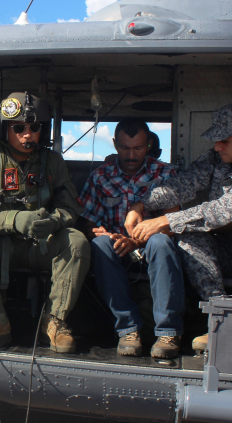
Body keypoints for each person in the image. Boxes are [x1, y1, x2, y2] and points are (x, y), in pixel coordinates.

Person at [125, 102, 232, 353]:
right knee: (190, 238)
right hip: (224, 250)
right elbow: (182, 185)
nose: (217, 146)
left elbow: (223, 209)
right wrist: (141, 205)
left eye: (224, 140)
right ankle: (221, 321)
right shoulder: (216, 159)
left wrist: (166, 221)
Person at [0, 92, 89, 353]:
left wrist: (53, 221)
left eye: (34, 128)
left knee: (76, 241)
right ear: (4, 129)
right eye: (19, 128)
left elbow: (70, 206)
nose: (27, 135)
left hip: (41, 245)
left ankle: (55, 322)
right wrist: (15, 220)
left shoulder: (52, 162)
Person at [79, 120, 184, 358]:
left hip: (153, 249)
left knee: (160, 242)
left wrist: (137, 241)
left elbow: (173, 225)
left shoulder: (165, 174)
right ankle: (128, 330)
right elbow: (87, 221)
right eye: (125, 148)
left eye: (138, 148)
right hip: (116, 248)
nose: (131, 155)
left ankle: (168, 332)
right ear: (115, 144)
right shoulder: (100, 177)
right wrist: (99, 231)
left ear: (148, 145)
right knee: (100, 244)